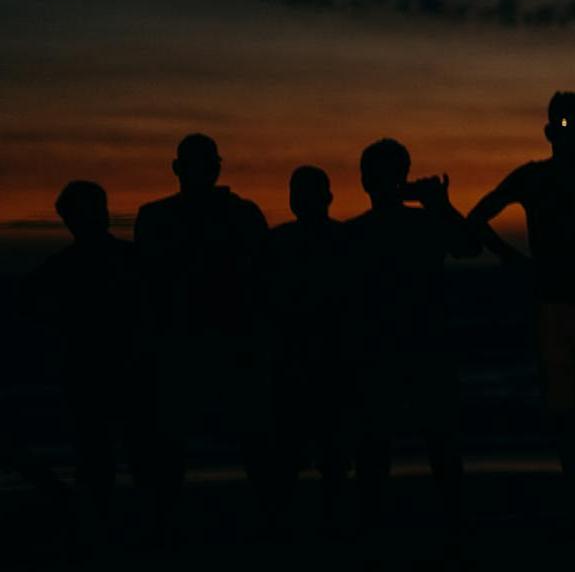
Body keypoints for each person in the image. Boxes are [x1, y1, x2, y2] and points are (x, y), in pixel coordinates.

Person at [468, 92, 575, 504]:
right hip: (555, 302)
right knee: (566, 410)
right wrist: (513, 260)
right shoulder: (532, 177)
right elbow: (478, 217)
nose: (573, 135)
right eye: (565, 126)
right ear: (549, 131)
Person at [134, 133, 271, 526]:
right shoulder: (238, 215)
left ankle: (167, 521)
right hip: (200, 344)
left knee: (243, 441)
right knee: (184, 444)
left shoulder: (159, 217)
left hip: (211, 344)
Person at [347, 139, 480, 526]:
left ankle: (376, 526)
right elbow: (468, 246)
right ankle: (449, 522)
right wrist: (439, 205)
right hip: (418, 347)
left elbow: (467, 246)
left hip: (390, 350)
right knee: (435, 444)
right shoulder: (420, 225)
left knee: (382, 447)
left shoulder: (356, 234)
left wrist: (438, 206)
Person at [29, 180, 149, 512]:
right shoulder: (133, 260)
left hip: (97, 373)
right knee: (131, 454)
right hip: (119, 371)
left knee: (101, 456)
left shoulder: (55, 271)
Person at [268, 166, 353, 530]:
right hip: (304, 360)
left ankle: (291, 523)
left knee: (316, 452)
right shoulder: (343, 239)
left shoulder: (280, 243)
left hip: (319, 360)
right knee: (305, 452)